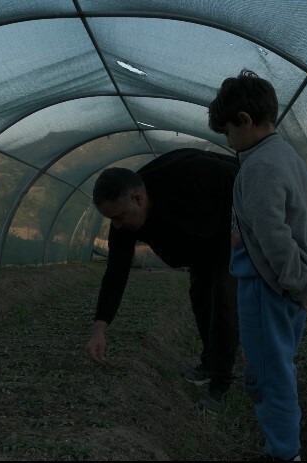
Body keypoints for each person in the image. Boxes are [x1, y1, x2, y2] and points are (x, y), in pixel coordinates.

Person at [208, 69, 307, 460]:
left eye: (229, 132)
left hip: (267, 286)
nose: (230, 142)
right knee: (279, 364)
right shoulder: (290, 158)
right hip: (287, 285)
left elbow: (275, 237)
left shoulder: (260, 166)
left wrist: (299, 284)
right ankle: (283, 445)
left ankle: (284, 453)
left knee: (270, 375)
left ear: (245, 121)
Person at [85, 148, 240, 413]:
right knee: (200, 299)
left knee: (223, 300)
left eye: (118, 216)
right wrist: (99, 328)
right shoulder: (122, 221)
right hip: (197, 248)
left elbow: (241, 176)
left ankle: (220, 385)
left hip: (224, 235)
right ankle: (209, 361)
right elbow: (116, 273)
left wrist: (240, 229)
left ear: (137, 198)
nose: (117, 226)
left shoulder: (186, 174)